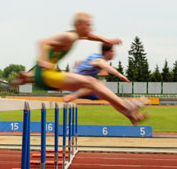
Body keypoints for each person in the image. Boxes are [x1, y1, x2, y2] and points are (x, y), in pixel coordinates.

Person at [12, 12, 148, 125]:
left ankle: (129, 113)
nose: (91, 27)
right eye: (88, 24)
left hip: (47, 75)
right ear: (79, 25)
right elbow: (42, 42)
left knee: (98, 89)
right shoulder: (69, 36)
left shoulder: (76, 35)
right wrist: (43, 61)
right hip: (46, 74)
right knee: (91, 82)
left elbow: (89, 36)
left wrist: (106, 41)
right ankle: (127, 107)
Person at [63, 43, 130, 102]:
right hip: (77, 87)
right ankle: (73, 96)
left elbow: (79, 61)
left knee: (106, 95)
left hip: (81, 87)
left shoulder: (94, 56)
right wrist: (119, 74)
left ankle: (124, 106)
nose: (114, 53)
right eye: (112, 51)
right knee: (100, 84)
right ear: (107, 52)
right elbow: (106, 67)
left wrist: (73, 71)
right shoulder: (99, 60)